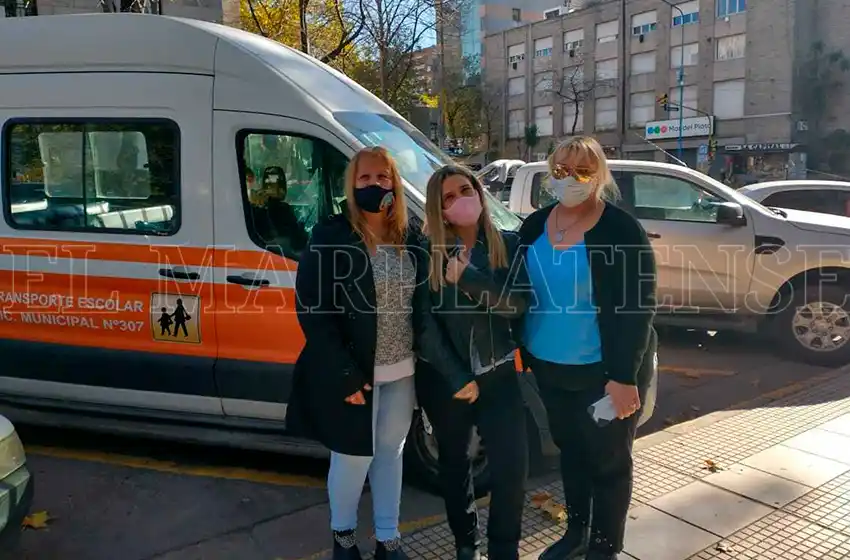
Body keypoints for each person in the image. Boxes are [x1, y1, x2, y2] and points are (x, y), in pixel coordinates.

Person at [285, 147, 429, 560]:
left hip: (401, 369)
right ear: (352, 185)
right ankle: (344, 539)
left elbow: (425, 301)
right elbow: (312, 309)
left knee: (391, 455)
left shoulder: (411, 234)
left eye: (383, 177)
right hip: (354, 372)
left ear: (394, 183)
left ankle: (388, 539)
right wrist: (343, 373)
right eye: (365, 178)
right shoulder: (331, 234)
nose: (374, 184)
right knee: (351, 458)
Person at [518, 136, 657, 560]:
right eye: (562, 170)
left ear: (599, 176)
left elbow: (638, 306)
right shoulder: (534, 226)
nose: (571, 179)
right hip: (549, 367)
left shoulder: (620, 229)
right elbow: (518, 291)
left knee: (609, 463)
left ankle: (604, 546)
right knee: (572, 454)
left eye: (583, 171)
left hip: (603, 373)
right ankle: (576, 532)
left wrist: (623, 376)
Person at [415, 165, 530, 560]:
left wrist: (468, 277)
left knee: (512, 467)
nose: (460, 200)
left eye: (465, 190)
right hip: (448, 380)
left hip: (498, 373)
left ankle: (504, 549)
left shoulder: (508, 244)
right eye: (448, 197)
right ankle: (467, 545)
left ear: (479, 194)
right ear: (438, 209)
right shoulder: (426, 252)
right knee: (455, 466)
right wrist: (456, 376)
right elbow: (424, 324)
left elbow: (517, 305)